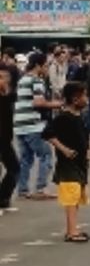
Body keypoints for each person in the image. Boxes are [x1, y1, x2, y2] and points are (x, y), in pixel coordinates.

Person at [42, 81, 90, 243]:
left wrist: (88, 150)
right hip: (67, 164)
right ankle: (71, 232)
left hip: (80, 163)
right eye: (84, 95)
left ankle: (74, 228)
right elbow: (47, 134)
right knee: (71, 197)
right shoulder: (63, 117)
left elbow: (83, 137)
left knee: (76, 196)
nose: (87, 99)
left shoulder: (79, 117)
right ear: (75, 99)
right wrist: (64, 149)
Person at [14, 53, 59, 201]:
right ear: (38, 66)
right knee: (46, 155)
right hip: (32, 125)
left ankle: (23, 189)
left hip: (20, 124)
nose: (46, 68)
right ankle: (40, 188)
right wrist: (59, 104)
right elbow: (38, 103)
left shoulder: (22, 79)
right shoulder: (36, 80)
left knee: (26, 158)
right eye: (45, 65)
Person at [0, 64, 19, 213]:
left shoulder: (8, 95)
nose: (4, 80)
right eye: (1, 77)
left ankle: (3, 199)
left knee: (14, 168)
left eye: (6, 77)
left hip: (5, 139)